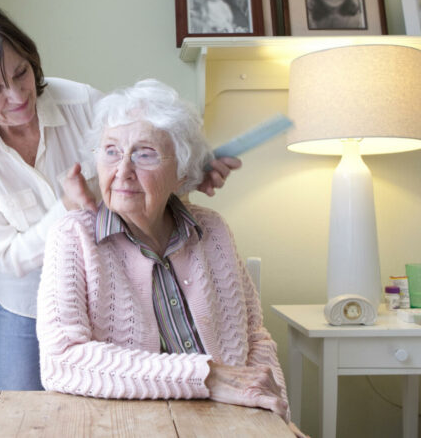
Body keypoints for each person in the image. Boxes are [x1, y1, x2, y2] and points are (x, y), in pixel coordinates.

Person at [0, 1, 241, 390]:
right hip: (25, 304)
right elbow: (6, 257)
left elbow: (140, 173)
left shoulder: (83, 103)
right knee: (24, 420)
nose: (18, 95)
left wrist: (189, 176)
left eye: (21, 73)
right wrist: (66, 209)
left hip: (106, 288)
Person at [37, 79, 303, 436]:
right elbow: (61, 361)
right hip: (127, 427)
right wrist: (207, 376)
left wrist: (276, 419)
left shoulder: (213, 230)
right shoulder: (73, 236)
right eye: (111, 151)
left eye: (145, 153)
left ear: (182, 173)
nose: (123, 170)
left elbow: (255, 338)